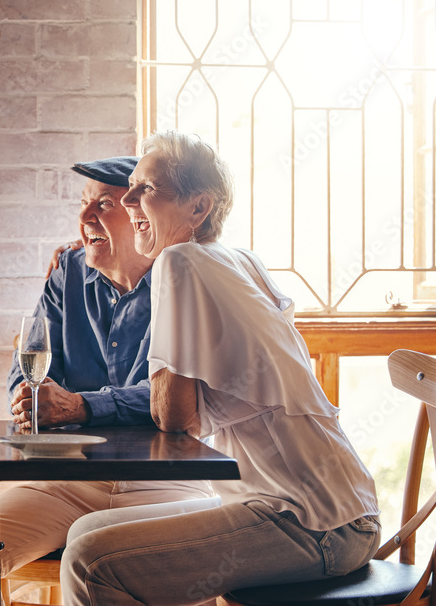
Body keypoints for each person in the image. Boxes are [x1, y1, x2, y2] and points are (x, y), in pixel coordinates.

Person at [61, 130, 380, 605]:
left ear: (198, 208)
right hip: (342, 510)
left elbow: (174, 418)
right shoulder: (238, 260)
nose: (127, 199)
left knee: (91, 562)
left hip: (312, 521)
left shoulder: (179, 261)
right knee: (87, 528)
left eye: (145, 189)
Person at [0, 157, 215, 606]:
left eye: (103, 204)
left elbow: (177, 403)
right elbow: (25, 375)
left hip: (165, 481)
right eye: (84, 204)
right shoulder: (68, 272)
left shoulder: (184, 277)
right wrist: (31, 401)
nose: (85, 218)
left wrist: (81, 406)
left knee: (170, 570)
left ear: (140, 216)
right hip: (69, 481)